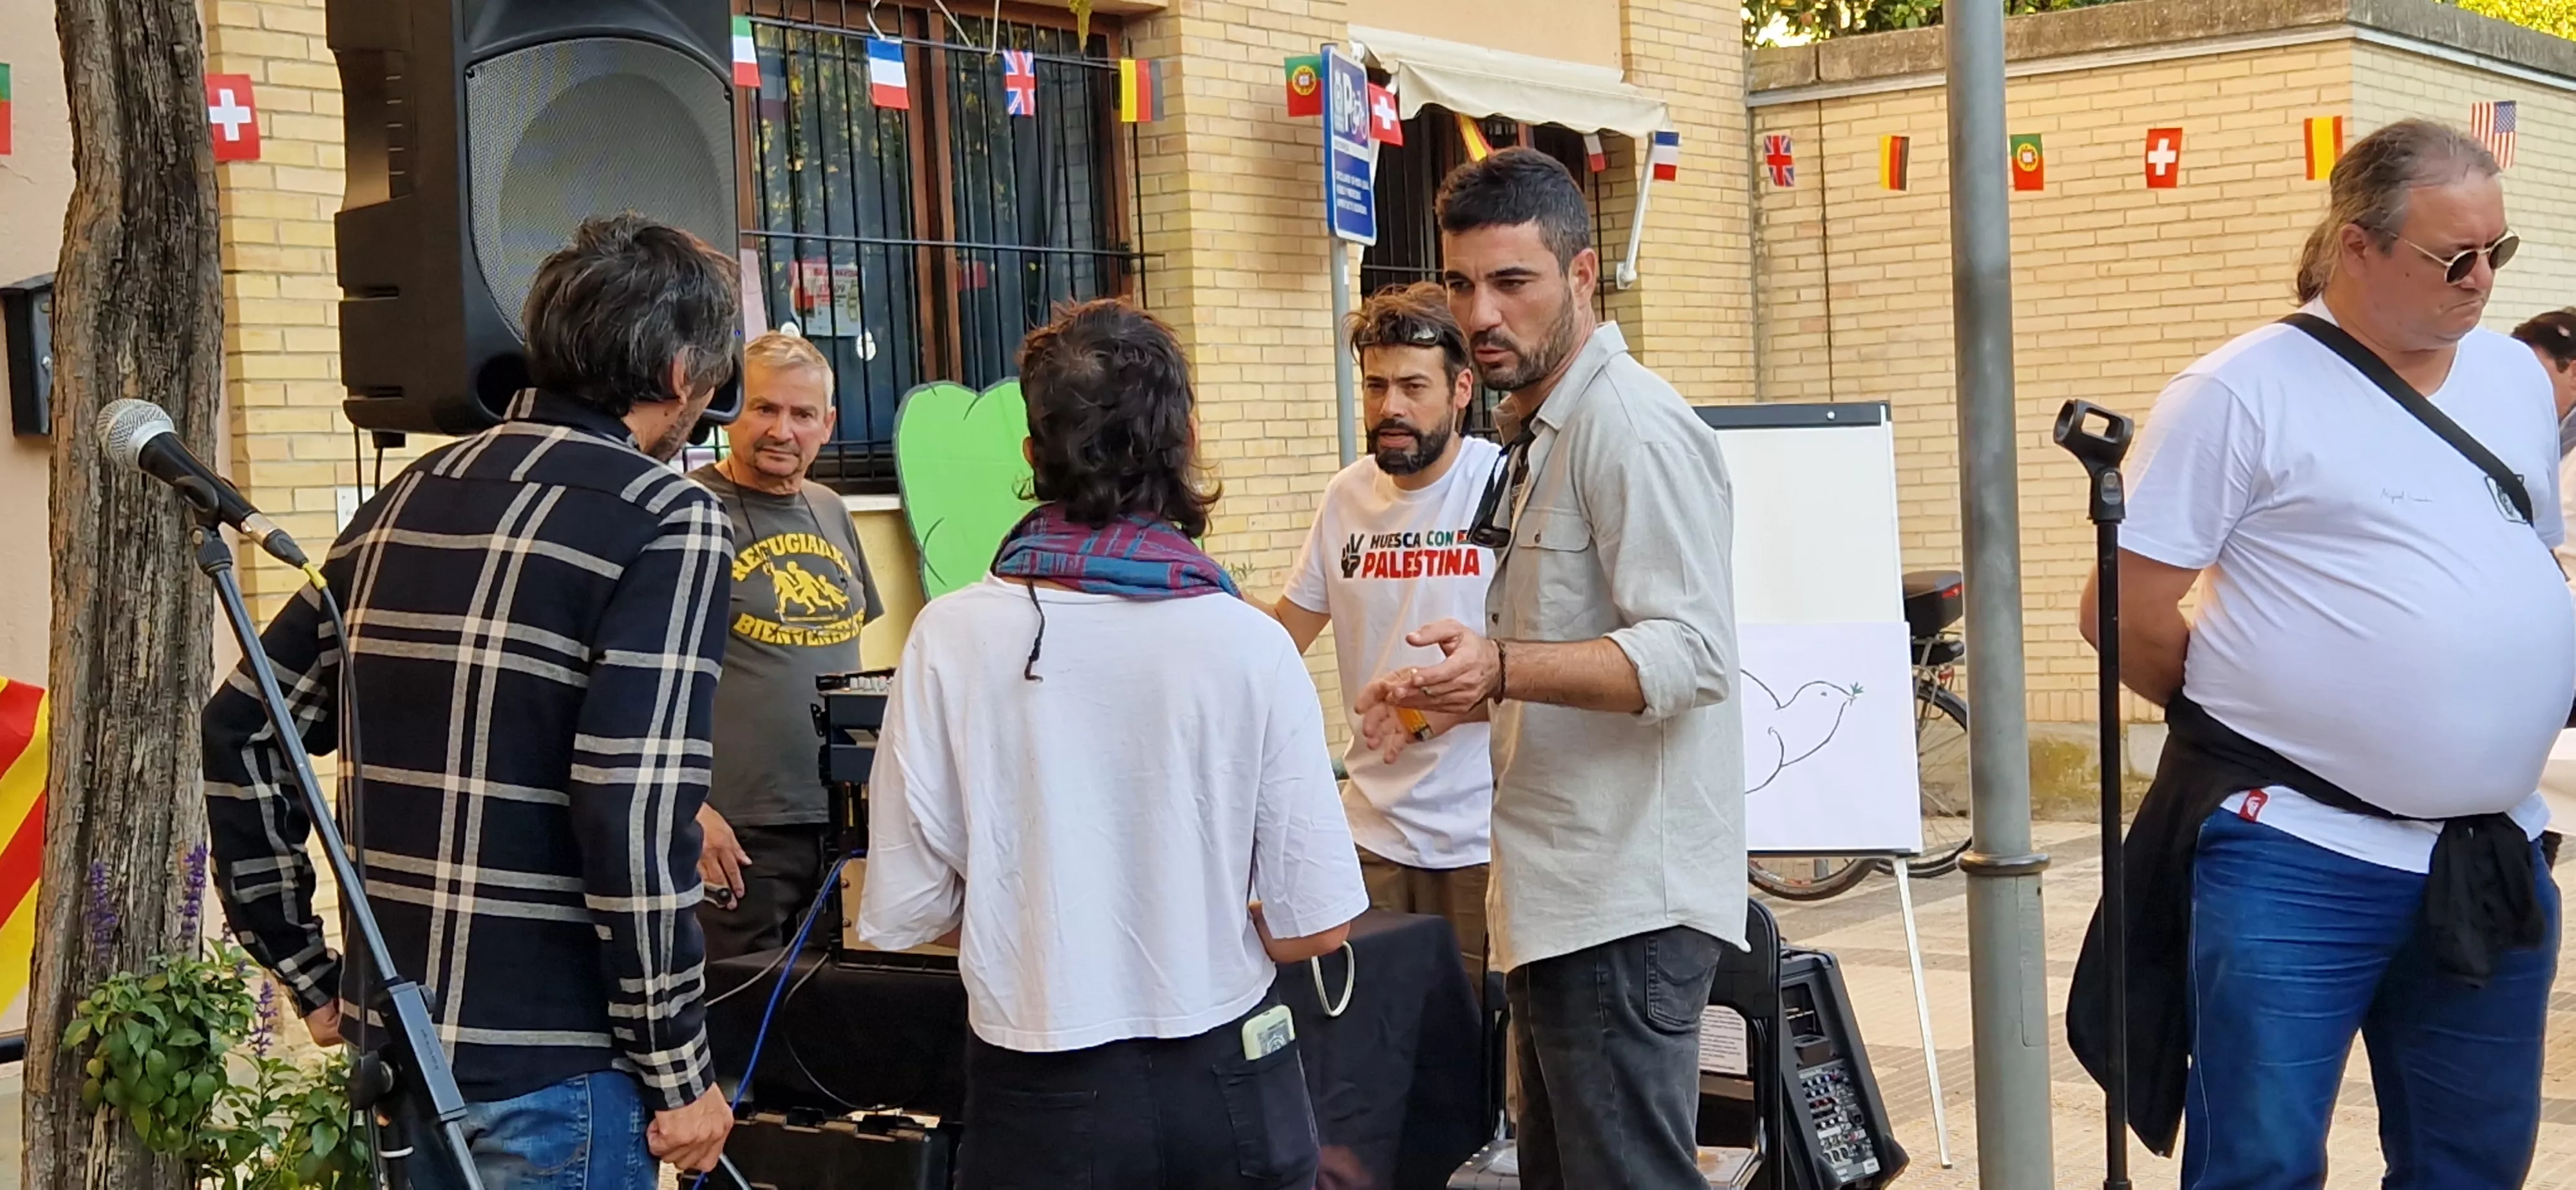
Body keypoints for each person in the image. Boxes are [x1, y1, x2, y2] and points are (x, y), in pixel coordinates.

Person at [2069, 118, 2565, 1187]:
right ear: (2356, 244)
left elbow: (2519, 556)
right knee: (2262, 1161)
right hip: (2298, 849)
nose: (2483, 280)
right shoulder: (2240, 390)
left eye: (2499, 252)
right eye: (2454, 256)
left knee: (2474, 1163)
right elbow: (2123, 608)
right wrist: (2278, 713)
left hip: (2484, 855)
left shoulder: (2515, 381)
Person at [203, 214, 739, 1185]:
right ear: (677, 371)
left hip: (399, 1051)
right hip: (563, 1069)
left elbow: (242, 725)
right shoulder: (671, 518)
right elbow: (632, 812)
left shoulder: (403, 497)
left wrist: (309, 971)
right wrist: (681, 1070)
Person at [855, 298, 1369, 1190]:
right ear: (1190, 442)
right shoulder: (1248, 641)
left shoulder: (948, 637)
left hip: (1038, 1092)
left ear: (1031, 456)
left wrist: (1043, 908)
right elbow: (1316, 927)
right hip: (1231, 1084)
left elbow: (907, 910)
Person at [1357, 147, 1743, 1190]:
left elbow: (1695, 652)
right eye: (1463, 283)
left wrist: (1502, 662)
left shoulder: (1631, 426)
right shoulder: (1542, 431)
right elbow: (1551, 667)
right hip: (1564, 901)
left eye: (1512, 281)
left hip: (1624, 901)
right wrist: (1443, 702)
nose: (1482, 312)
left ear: (1580, 277)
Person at [1269, 281, 1501, 983]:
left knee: (1481, 1056)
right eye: (1374, 386)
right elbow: (1283, 635)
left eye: (1411, 386)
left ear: (1462, 389)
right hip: (1367, 836)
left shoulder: (1502, 486)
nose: (1389, 408)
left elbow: (1539, 670)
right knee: (1372, 1058)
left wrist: (1419, 711)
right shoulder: (1347, 495)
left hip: (1483, 840)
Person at [692, 328, 883, 961]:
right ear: (728, 407)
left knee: (835, 1014)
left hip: (843, 820)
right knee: (739, 1025)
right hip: (738, 834)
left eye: (802, 414)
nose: (783, 430)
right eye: (764, 408)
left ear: (828, 424)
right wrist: (690, 811)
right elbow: (639, 680)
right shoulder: (688, 512)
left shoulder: (831, 508)